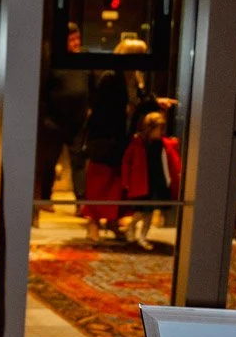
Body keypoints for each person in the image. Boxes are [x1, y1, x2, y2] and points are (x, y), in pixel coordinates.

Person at [78, 70, 129, 240]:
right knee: (102, 181)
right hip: (106, 139)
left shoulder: (115, 80)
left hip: (109, 139)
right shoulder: (114, 79)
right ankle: (95, 221)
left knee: (111, 182)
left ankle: (105, 221)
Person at [121, 110, 182, 249]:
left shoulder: (163, 144)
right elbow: (126, 162)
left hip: (156, 183)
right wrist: (126, 181)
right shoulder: (138, 144)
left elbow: (172, 160)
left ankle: (142, 237)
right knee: (139, 213)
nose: (160, 132)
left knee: (148, 213)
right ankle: (131, 229)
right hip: (141, 184)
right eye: (158, 128)